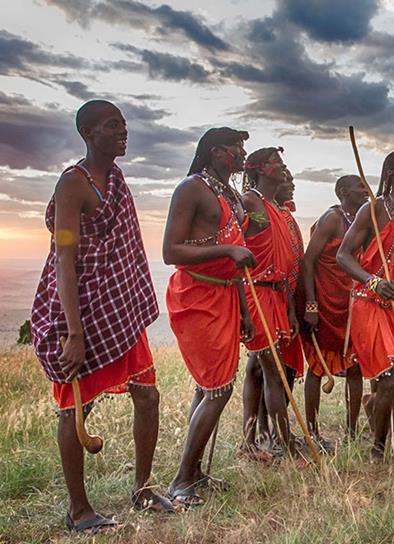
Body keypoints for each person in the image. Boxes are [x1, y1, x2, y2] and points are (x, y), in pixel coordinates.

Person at [31, 100, 167, 532]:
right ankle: (79, 510)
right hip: (82, 310)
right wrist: (73, 332)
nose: (123, 131)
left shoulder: (117, 179)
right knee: (76, 409)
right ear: (89, 133)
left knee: (147, 395)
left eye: (124, 124)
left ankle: (143, 489)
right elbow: (64, 258)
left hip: (118, 309)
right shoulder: (73, 184)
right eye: (113, 125)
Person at [163, 127, 256, 506]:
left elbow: (232, 257)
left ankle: (197, 472)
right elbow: (171, 251)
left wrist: (245, 309)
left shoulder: (231, 194)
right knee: (219, 388)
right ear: (216, 151)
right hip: (196, 295)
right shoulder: (191, 188)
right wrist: (228, 250)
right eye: (236, 147)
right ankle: (182, 481)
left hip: (225, 295)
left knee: (208, 386)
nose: (241, 153)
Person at [337, 149, 394, 461]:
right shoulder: (373, 209)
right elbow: (343, 255)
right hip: (371, 303)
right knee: (389, 378)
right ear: (392, 174)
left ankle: (373, 404)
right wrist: (373, 281)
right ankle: (377, 449)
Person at [238, 147, 304, 460]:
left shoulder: (274, 208)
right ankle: (280, 439)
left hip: (276, 293)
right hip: (257, 291)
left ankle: (257, 438)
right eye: (278, 162)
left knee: (259, 368)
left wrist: (290, 307)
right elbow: (235, 245)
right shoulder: (249, 202)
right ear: (261, 169)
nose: (285, 167)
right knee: (271, 369)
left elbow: (286, 263)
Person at [302, 175, 369, 442]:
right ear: (343, 192)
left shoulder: (362, 220)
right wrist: (310, 303)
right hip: (326, 302)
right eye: (359, 187)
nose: (365, 191)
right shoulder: (332, 218)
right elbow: (308, 262)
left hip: (353, 304)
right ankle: (313, 431)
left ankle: (352, 431)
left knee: (355, 367)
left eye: (366, 186)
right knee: (318, 367)